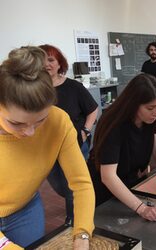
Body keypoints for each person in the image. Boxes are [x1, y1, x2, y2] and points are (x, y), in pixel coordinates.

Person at [0, 46, 94, 248]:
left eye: (40, 120)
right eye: (16, 124)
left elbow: (81, 184)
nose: (30, 132)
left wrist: (82, 234)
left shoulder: (59, 121)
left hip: (25, 209)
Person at [89, 73, 156, 222]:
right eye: (150, 108)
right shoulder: (113, 124)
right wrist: (142, 208)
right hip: (104, 191)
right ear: (133, 104)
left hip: (129, 183)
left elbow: (154, 140)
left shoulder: (149, 120)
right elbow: (108, 176)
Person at [39, 44, 98, 226]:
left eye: (51, 60)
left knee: (73, 184)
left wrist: (86, 131)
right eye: (42, 60)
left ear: (59, 64)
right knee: (59, 185)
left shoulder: (73, 86)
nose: (46, 64)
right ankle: (80, 204)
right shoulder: (36, 89)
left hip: (75, 143)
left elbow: (93, 109)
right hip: (47, 147)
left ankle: (74, 220)